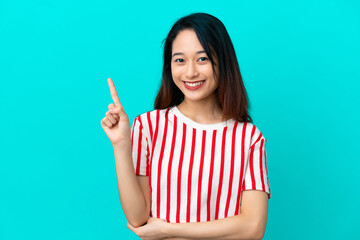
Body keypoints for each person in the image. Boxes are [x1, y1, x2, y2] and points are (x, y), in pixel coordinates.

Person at [101, 12, 271, 240]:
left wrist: (170, 229)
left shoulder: (249, 138)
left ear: (223, 61)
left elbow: (253, 228)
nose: (190, 72)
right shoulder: (148, 126)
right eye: (180, 60)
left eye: (203, 59)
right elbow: (137, 219)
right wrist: (121, 144)